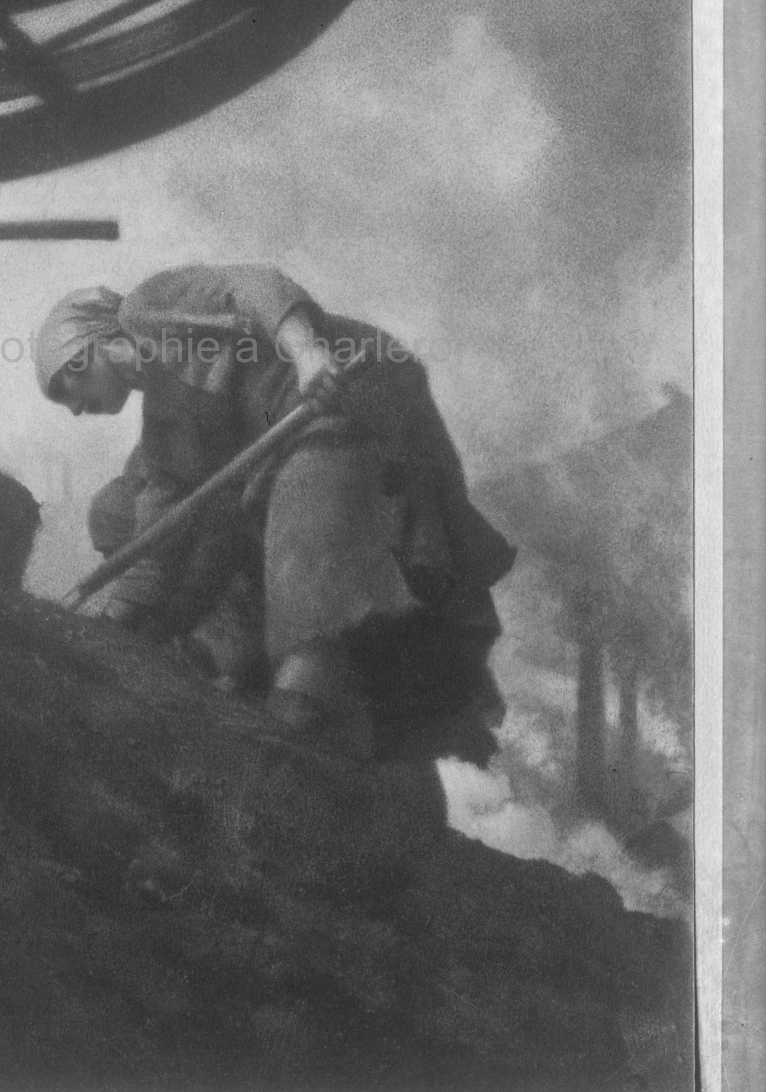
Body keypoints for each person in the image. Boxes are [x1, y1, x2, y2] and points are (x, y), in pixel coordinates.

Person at [36, 265, 515, 768]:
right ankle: (231, 650)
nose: (73, 410)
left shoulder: (145, 310)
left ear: (84, 352)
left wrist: (307, 353)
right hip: (290, 437)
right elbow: (161, 530)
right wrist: (118, 619)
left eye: (65, 390)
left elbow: (252, 287)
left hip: (349, 382)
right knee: (128, 510)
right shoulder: (165, 421)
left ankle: (302, 694)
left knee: (310, 496)